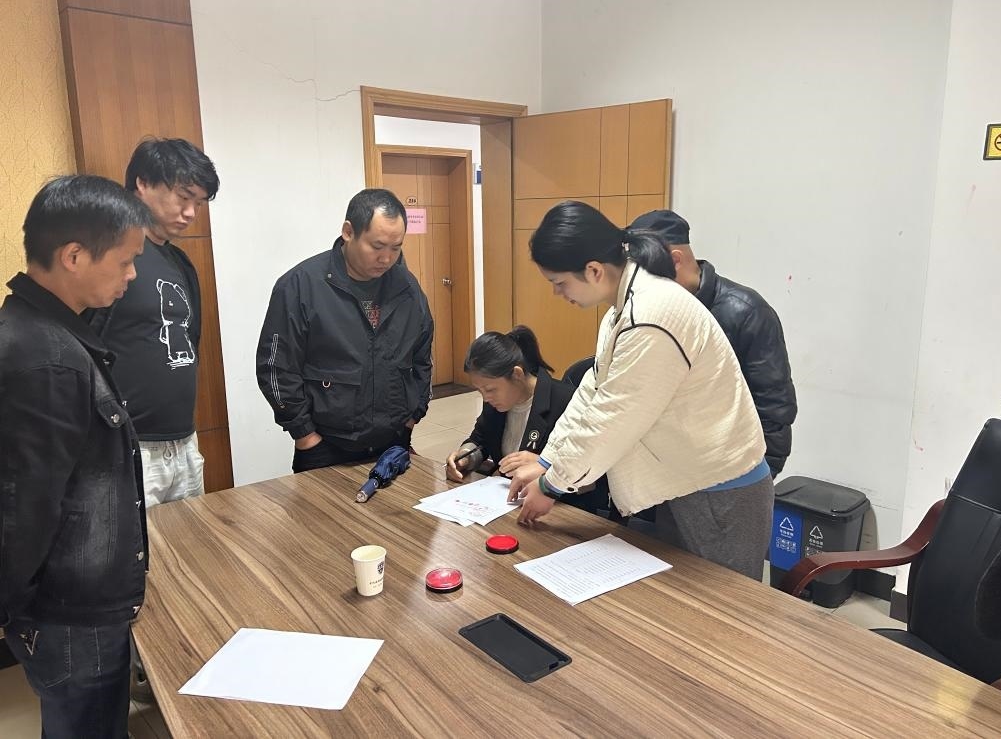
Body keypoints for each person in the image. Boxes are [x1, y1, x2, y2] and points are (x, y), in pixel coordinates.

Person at [507, 201, 773, 580]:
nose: (556, 293)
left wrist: (551, 486)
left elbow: (612, 420)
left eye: (559, 283)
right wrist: (548, 460)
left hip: (720, 493)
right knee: (677, 602)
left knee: (720, 611)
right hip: (683, 480)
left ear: (594, 270)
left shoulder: (652, 314)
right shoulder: (624, 308)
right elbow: (593, 393)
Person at [0, 175, 154, 737]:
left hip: (75, 606)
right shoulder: (47, 358)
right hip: (70, 614)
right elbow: (23, 509)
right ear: (73, 256)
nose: (131, 275)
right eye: (125, 261)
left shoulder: (46, 333)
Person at [257, 188, 433, 472]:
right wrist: (304, 434)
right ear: (349, 232)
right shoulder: (301, 285)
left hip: (394, 438)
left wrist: (414, 415)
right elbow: (276, 368)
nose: (387, 258)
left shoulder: (406, 286)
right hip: (325, 445)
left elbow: (423, 356)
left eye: (396, 247)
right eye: (377, 246)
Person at [88, 137, 220, 507]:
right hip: (127, 446)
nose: (191, 212)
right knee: (133, 544)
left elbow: (191, 341)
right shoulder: (108, 256)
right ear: (142, 183)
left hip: (183, 442)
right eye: (184, 197)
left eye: (199, 203)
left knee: (191, 540)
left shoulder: (181, 263)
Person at [629, 209, 797, 477]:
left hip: (731, 470)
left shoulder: (747, 311)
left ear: (674, 260)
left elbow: (774, 407)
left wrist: (759, 474)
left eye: (645, 274)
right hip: (667, 464)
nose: (640, 284)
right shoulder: (647, 309)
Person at [445, 326, 605, 514]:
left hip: (562, 510)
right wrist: (465, 457)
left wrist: (546, 466)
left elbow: (597, 477)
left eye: (490, 389)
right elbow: (479, 440)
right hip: (507, 504)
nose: (486, 397)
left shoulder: (567, 401)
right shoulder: (495, 403)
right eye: (480, 391)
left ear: (517, 374)